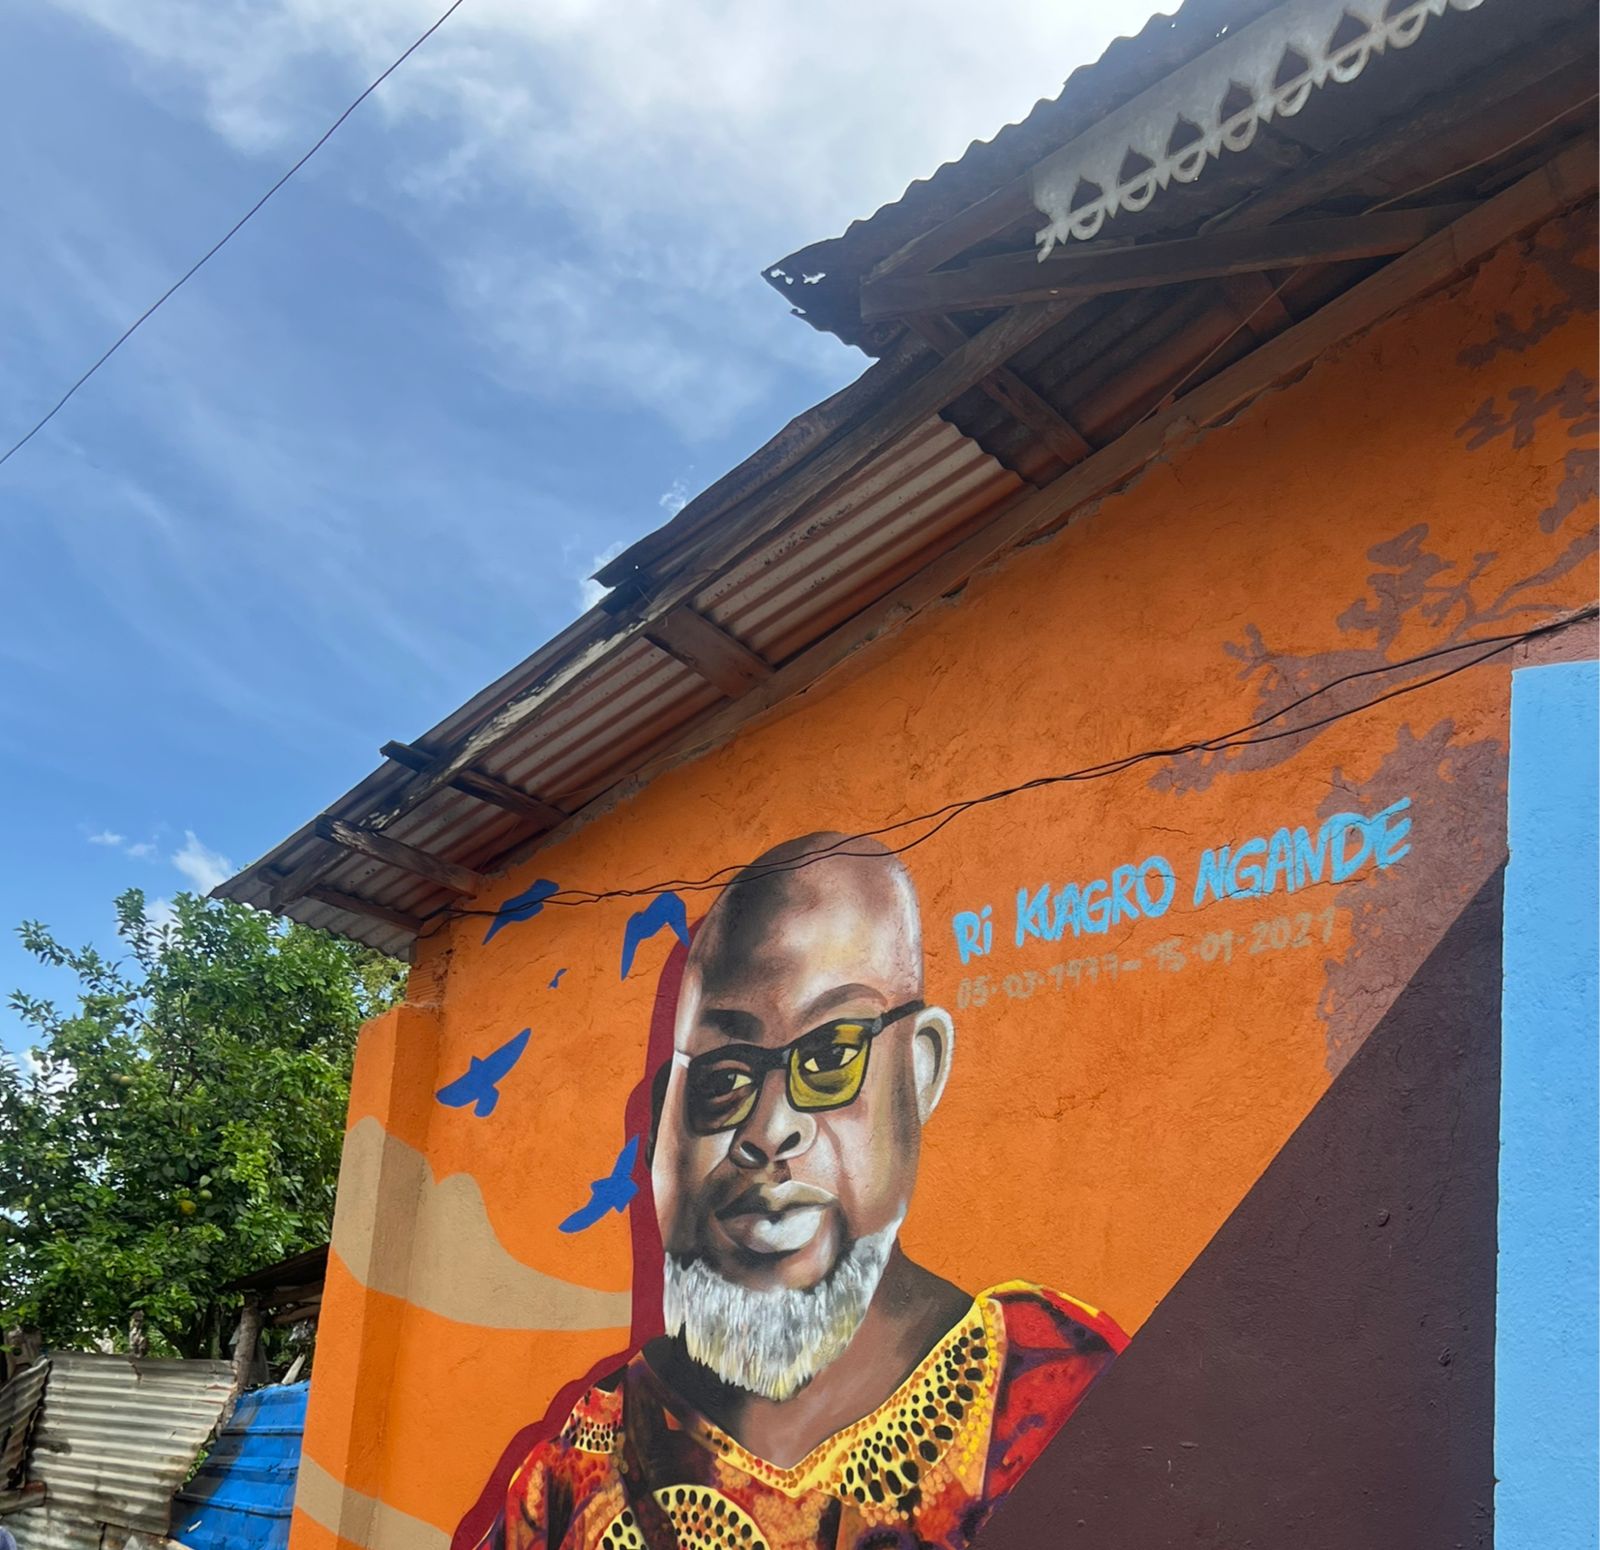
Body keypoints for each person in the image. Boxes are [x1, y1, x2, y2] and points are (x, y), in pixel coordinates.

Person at [477, 834, 1123, 1549]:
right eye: (724, 1078)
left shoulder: (1059, 1388)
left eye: (831, 1055)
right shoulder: (580, 1463)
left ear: (920, 1071)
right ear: (665, 1124)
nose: (770, 1130)